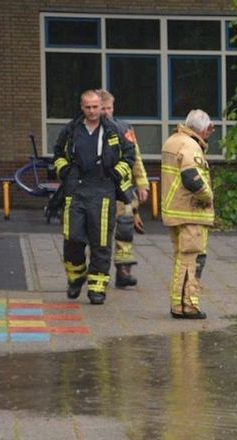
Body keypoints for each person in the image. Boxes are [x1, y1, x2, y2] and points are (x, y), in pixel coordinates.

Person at [52, 89, 136, 305]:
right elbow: (58, 153)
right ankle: (76, 277)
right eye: (87, 107)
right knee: (73, 238)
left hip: (103, 191)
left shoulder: (116, 130)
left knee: (101, 242)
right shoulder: (71, 130)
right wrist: (65, 172)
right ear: (82, 107)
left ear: (101, 107)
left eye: (95, 107)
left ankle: (97, 288)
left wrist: (117, 173)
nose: (92, 111)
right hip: (76, 190)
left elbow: (130, 156)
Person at [160, 109, 215, 319]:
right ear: (205, 128)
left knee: (181, 259)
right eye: (210, 129)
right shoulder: (191, 146)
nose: (210, 134)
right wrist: (208, 197)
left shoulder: (173, 141)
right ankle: (188, 306)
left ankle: (178, 304)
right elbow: (192, 177)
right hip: (190, 212)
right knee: (191, 260)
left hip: (175, 209)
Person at [98, 89, 149, 289]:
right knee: (99, 233)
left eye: (109, 108)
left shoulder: (124, 128)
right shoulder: (88, 130)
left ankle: (123, 271)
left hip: (123, 190)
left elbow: (135, 158)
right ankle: (98, 272)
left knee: (125, 229)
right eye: (102, 108)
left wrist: (142, 184)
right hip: (99, 189)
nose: (106, 113)